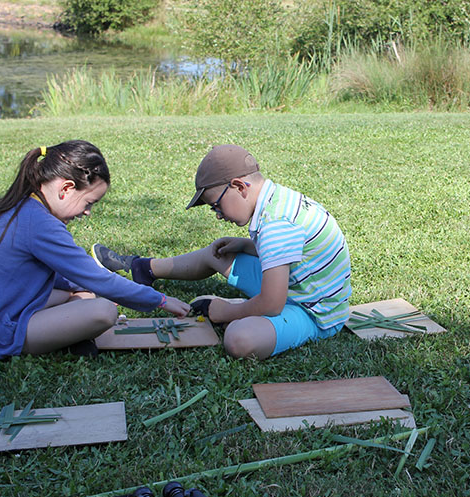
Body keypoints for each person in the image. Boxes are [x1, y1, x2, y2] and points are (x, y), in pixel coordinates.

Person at [92, 144, 352, 360]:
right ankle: (143, 267)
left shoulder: (276, 224)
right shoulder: (277, 199)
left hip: (314, 312)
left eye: (216, 205)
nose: (218, 215)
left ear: (239, 186)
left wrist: (225, 311)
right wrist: (245, 245)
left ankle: (239, 310)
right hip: (296, 285)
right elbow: (294, 251)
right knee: (218, 253)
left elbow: (272, 305)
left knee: (239, 339)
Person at [0, 141, 190, 359]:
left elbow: (74, 278)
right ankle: (62, 339)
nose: (87, 212)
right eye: (89, 202)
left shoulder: (25, 206)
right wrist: (160, 300)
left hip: (4, 309)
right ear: (67, 188)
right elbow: (97, 278)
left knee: (81, 293)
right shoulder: (41, 223)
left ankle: (67, 336)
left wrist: (106, 288)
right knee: (104, 311)